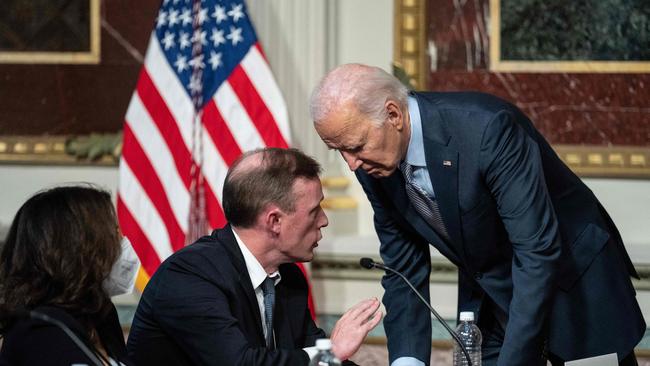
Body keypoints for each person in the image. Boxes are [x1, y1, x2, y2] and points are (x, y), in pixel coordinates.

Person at [310, 63, 645, 366]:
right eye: (339, 150)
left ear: (393, 115)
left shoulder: (487, 130)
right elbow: (404, 269)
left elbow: (537, 252)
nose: (351, 164)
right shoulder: (374, 165)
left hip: (576, 285)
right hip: (493, 297)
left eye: (355, 147)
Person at [127, 147, 383, 366]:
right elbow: (240, 364)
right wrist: (332, 352)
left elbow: (314, 356)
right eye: (314, 211)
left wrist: (331, 356)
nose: (324, 221)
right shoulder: (189, 277)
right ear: (274, 221)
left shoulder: (288, 276)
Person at [0, 185, 134, 366]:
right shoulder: (39, 332)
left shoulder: (102, 317)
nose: (122, 242)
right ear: (79, 249)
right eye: (113, 233)